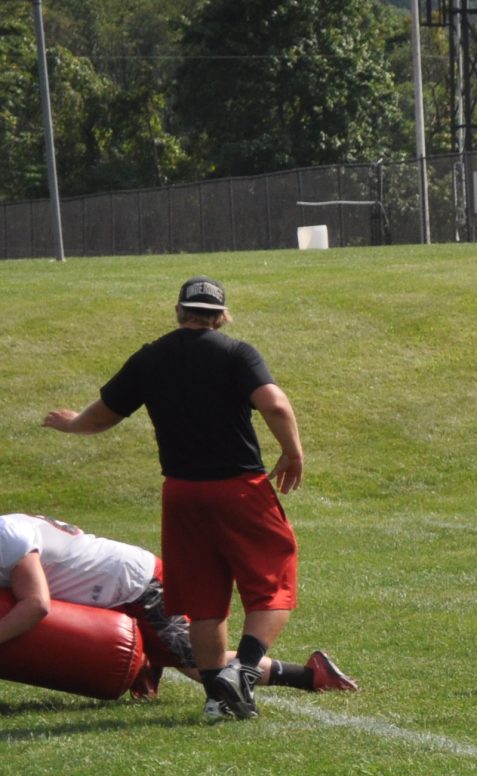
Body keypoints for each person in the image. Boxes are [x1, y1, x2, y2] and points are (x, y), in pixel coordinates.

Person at [40, 275, 310, 722]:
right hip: (239, 488)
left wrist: (70, 424)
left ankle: (217, 700)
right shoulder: (236, 353)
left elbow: (101, 416)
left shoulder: (150, 358)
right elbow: (276, 405)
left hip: (180, 494)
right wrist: (292, 451)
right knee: (273, 581)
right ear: (220, 316)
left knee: (204, 600)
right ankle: (241, 672)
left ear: (180, 311)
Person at [0, 511, 355, 698]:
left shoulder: (8, 536)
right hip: (111, 593)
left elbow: (37, 605)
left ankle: (312, 676)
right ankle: (147, 668)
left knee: (204, 667)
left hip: (139, 585)